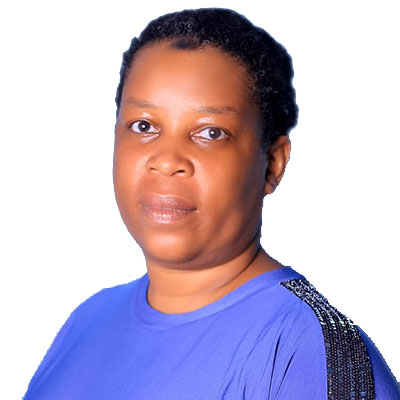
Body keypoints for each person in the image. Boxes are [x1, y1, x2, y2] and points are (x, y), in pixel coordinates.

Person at [23, 7, 400, 400]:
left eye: (211, 132)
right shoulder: (87, 320)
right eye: (144, 126)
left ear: (272, 164)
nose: (167, 160)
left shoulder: (307, 354)